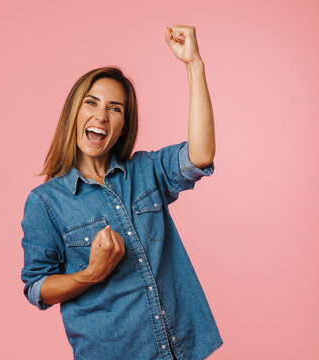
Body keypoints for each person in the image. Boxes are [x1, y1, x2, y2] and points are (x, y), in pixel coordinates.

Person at [20, 25, 223, 360]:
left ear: (123, 125)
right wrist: (91, 274)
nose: (101, 115)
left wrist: (194, 65)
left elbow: (200, 155)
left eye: (115, 108)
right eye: (92, 103)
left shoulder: (146, 171)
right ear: (75, 112)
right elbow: (37, 287)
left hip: (180, 350)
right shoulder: (44, 202)